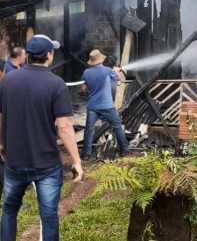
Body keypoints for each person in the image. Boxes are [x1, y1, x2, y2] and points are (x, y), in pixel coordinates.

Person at [0, 34, 84, 241]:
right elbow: (63, 127)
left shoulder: (8, 80)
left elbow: (1, 115)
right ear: (49, 55)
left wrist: (1, 142)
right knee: (48, 216)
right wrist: (77, 161)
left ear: (28, 55)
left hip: (15, 161)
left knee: (9, 210)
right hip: (46, 163)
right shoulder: (56, 84)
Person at [81, 49, 128, 160]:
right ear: (101, 59)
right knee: (117, 126)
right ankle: (124, 150)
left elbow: (83, 88)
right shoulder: (107, 70)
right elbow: (119, 79)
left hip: (92, 106)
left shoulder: (86, 72)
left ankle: (86, 154)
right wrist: (117, 71)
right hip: (107, 106)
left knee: (88, 129)